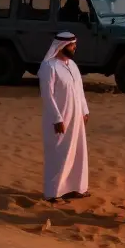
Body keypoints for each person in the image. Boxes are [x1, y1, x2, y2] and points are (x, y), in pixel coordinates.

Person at [38, 32, 90, 201]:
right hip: (60, 119)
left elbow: (79, 90)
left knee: (77, 151)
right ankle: (53, 192)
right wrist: (57, 118)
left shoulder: (73, 65)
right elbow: (47, 95)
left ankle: (75, 187)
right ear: (61, 46)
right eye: (72, 45)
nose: (75, 47)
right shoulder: (49, 66)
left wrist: (84, 109)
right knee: (59, 153)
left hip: (76, 118)